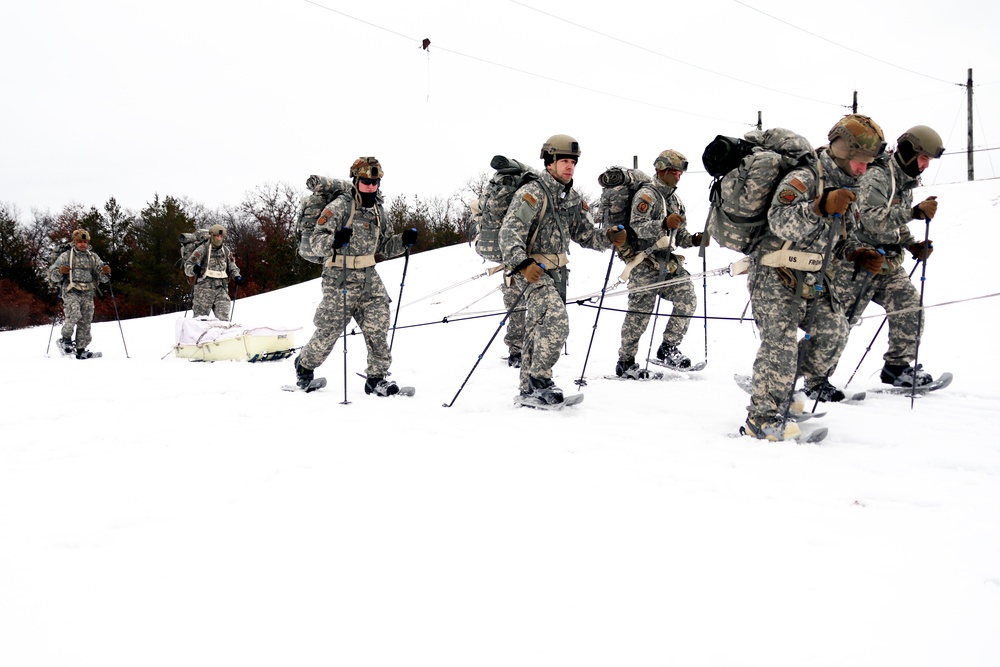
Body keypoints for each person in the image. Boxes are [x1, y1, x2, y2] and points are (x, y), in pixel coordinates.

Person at [743, 114, 886, 440]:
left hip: (813, 277)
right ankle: (761, 420)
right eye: (859, 160)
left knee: (833, 334)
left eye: (868, 162)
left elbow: (841, 237)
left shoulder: (849, 187)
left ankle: (778, 387)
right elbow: (779, 221)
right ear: (841, 151)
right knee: (779, 346)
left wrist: (856, 253)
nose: (865, 168)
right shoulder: (805, 178)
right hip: (774, 271)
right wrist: (818, 207)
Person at [822, 125, 943, 390]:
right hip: (857, 260)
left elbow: (893, 221)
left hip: (888, 262)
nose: (925, 166)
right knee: (839, 323)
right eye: (923, 158)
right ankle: (814, 378)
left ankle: (897, 368)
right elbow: (871, 219)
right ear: (910, 153)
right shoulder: (876, 176)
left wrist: (912, 244)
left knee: (910, 306)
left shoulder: (902, 180)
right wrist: (915, 213)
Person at [498, 134, 615, 405]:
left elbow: (584, 234)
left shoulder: (570, 196)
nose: (569, 167)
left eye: (573, 162)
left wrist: (610, 237)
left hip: (558, 273)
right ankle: (540, 380)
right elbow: (509, 233)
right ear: (549, 162)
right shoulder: (534, 193)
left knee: (538, 326)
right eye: (563, 161)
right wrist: (522, 265)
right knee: (556, 322)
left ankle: (528, 388)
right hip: (532, 271)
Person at [293, 157, 416, 395]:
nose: (371, 186)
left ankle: (376, 378)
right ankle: (304, 365)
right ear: (356, 180)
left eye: (375, 182)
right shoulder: (340, 206)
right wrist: (334, 241)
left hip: (369, 277)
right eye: (366, 181)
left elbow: (385, 246)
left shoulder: (379, 210)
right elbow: (317, 243)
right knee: (329, 331)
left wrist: (403, 241)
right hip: (339, 276)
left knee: (378, 328)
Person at [614, 149, 705, 378]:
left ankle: (668, 348)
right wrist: (662, 224)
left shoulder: (675, 200)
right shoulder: (646, 196)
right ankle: (625, 361)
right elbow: (637, 226)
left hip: (668, 264)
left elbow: (679, 235)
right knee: (639, 313)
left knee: (687, 298)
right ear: (661, 170)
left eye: (680, 172)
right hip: (644, 263)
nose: (678, 176)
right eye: (674, 172)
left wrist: (694, 239)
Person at [48, 228, 111, 358]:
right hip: (71, 290)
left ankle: (81, 348)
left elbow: (103, 278)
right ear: (74, 241)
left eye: (85, 241)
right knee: (74, 313)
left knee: (86, 320)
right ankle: (65, 339)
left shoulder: (93, 257)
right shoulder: (66, 255)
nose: (82, 244)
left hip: (87, 291)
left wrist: (105, 272)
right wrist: (60, 271)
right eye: (79, 241)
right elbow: (53, 275)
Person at [184, 224, 241, 320]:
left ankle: (223, 335)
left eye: (221, 236)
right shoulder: (202, 249)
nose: (219, 238)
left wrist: (237, 276)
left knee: (223, 318)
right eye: (216, 236)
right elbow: (188, 266)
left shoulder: (226, 251)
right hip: (204, 289)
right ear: (211, 236)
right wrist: (194, 269)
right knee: (200, 319)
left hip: (221, 288)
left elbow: (232, 266)